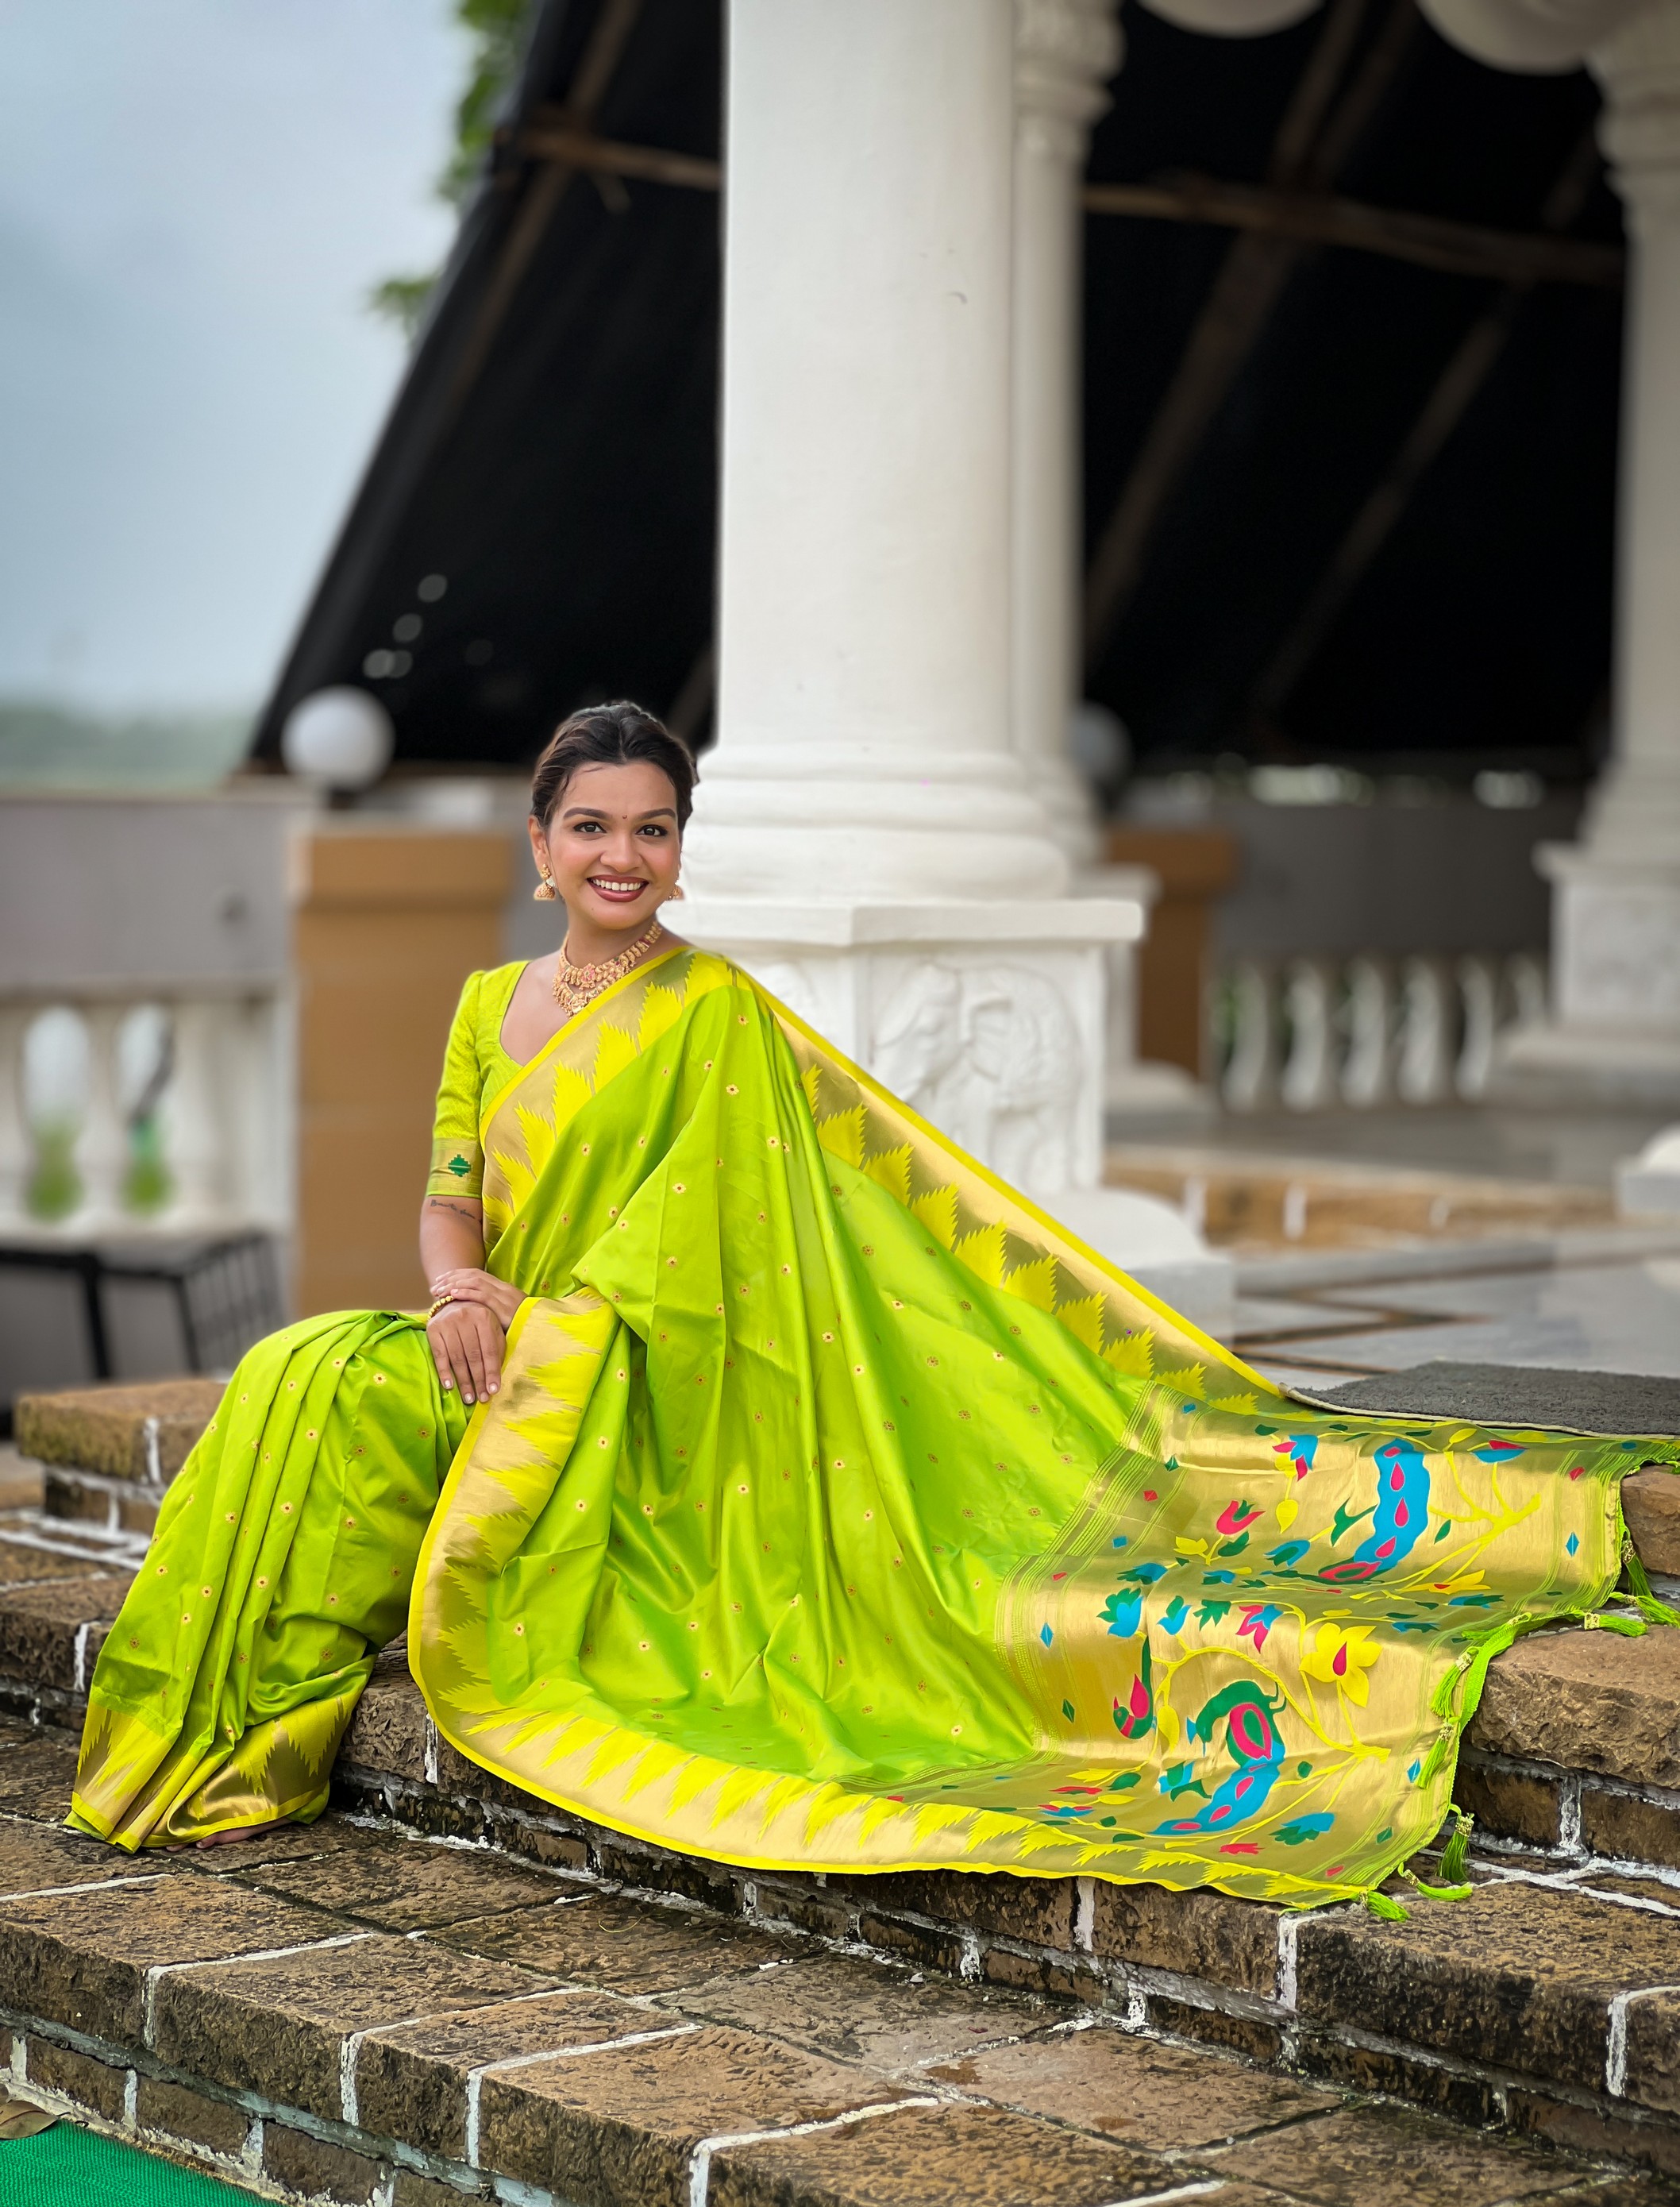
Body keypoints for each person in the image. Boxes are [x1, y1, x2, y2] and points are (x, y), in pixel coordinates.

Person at [68, 701, 1675, 1913]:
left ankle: (251, 1729)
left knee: (330, 1395)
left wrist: (550, 1329)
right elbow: (448, 1186)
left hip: (628, 1379)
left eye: (653, 829)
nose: (623, 856)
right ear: (538, 844)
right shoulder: (491, 1006)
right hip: (499, 1335)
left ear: (679, 847)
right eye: (592, 827)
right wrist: (456, 1284)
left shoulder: (715, 1014)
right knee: (299, 1368)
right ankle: (232, 1723)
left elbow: (711, 1256)